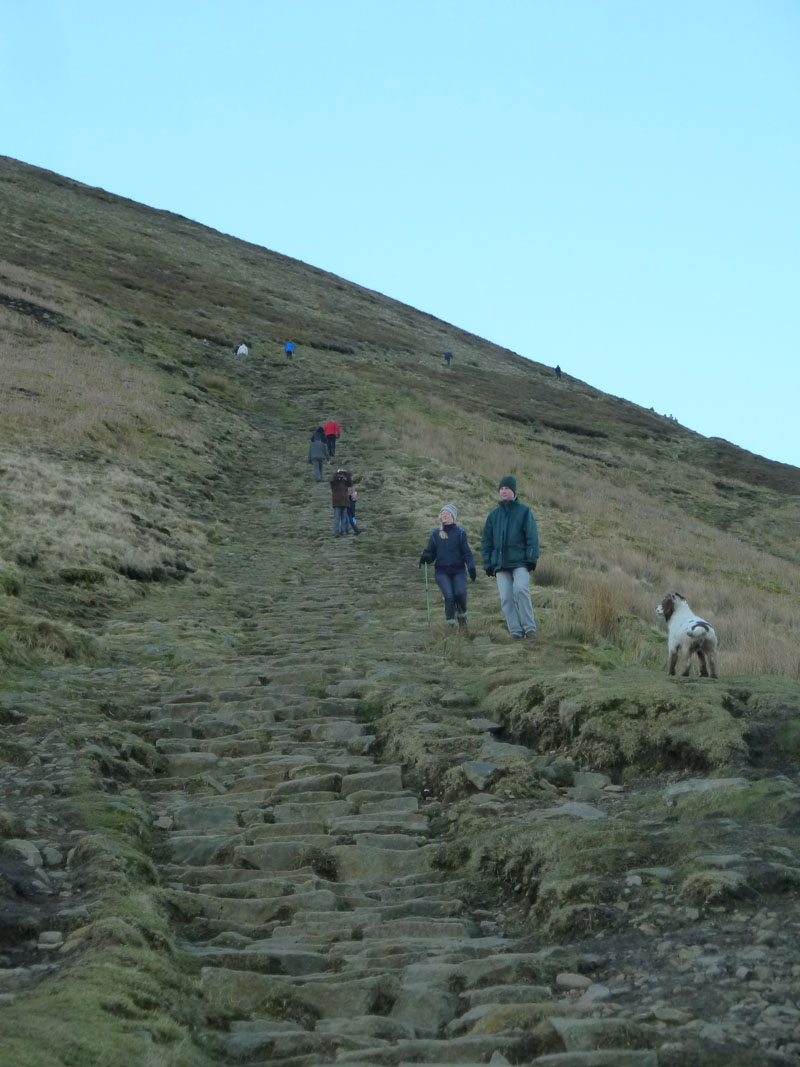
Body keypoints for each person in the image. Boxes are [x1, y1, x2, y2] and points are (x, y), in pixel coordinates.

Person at [481, 476, 539, 639]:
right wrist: (488, 563)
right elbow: (486, 541)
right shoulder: (493, 516)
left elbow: (532, 537)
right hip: (500, 564)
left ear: (513, 491)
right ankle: (515, 632)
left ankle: (530, 629)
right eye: (501, 489)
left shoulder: (524, 512)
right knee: (506, 598)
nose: (503, 491)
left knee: (521, 590)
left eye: (507, 488)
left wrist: (531, 558)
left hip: (520, 562)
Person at [418, 505, 476, 629]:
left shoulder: (460, 533)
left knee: (460, 593)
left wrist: (471, 567)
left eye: (448, 513)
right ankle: (450, 624)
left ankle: (462, 617)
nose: (444, 515)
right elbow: (430, 552)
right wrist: (426, 557)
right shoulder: (435, 534)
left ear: (453, 517)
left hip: (459, 570)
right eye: (443, 513)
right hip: (442, 571)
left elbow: (467, 552)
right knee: (449, 596)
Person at [330, 467, 353, 537]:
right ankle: (336, 533)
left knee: (343, 519)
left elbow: (351, 483)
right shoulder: (334, 483)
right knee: (337, 519)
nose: (341, 475)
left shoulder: (345, 482)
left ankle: (343, 532)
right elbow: (332, 479)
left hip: (345, 503)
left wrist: (346, 474)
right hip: (337, 503)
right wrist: (337, 472)